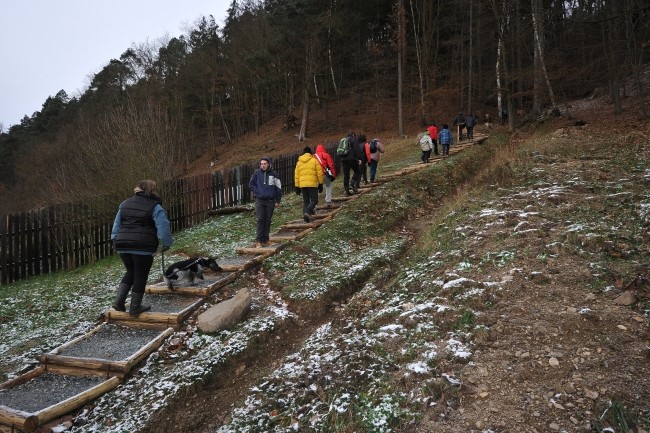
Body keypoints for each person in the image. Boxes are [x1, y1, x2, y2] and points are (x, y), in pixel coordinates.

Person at [111, 180, 173, 316]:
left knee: (131, 272)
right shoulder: (155, 206)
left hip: (123, 245)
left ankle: (119, 302)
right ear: (152, 191)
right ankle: (135, 308)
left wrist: (115, 240)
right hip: (143, 246)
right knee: (140, 275)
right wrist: (166, 243)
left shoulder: (124, 204)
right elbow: (163, 227)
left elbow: (116, 225)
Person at [248, 156, 282, 247]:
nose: (263, 166)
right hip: (260, 200)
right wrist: (258, 192)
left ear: (268, 164)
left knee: (268, 220)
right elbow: (251, 184)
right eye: (261, 164)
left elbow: (278, 187)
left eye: (265, 164)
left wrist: (277, 200)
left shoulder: (274, 174)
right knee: (260, 219)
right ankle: (259, 240)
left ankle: (266, 239)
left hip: (270, 200)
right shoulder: (256, 173)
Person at [294, 146, 323, 222]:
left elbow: (296, 175)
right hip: (312, 184)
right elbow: (319, 173)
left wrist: (297, 186)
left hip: (303, 185)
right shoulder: (314, 161)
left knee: (306, 201)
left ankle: (306, 219)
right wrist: (320, 183)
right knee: (314, 200)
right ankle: (307, 212)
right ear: (310, 153)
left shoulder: (299, 162)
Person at [340, 131, 362, 196]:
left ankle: (347, 190)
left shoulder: (343, 140)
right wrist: (360, 158)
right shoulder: (353, 139)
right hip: (352, 159)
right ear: (353, 135)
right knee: (357, 171)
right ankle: (352, 183)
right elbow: (357, 150)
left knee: (346, 175)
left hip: (344, 159)